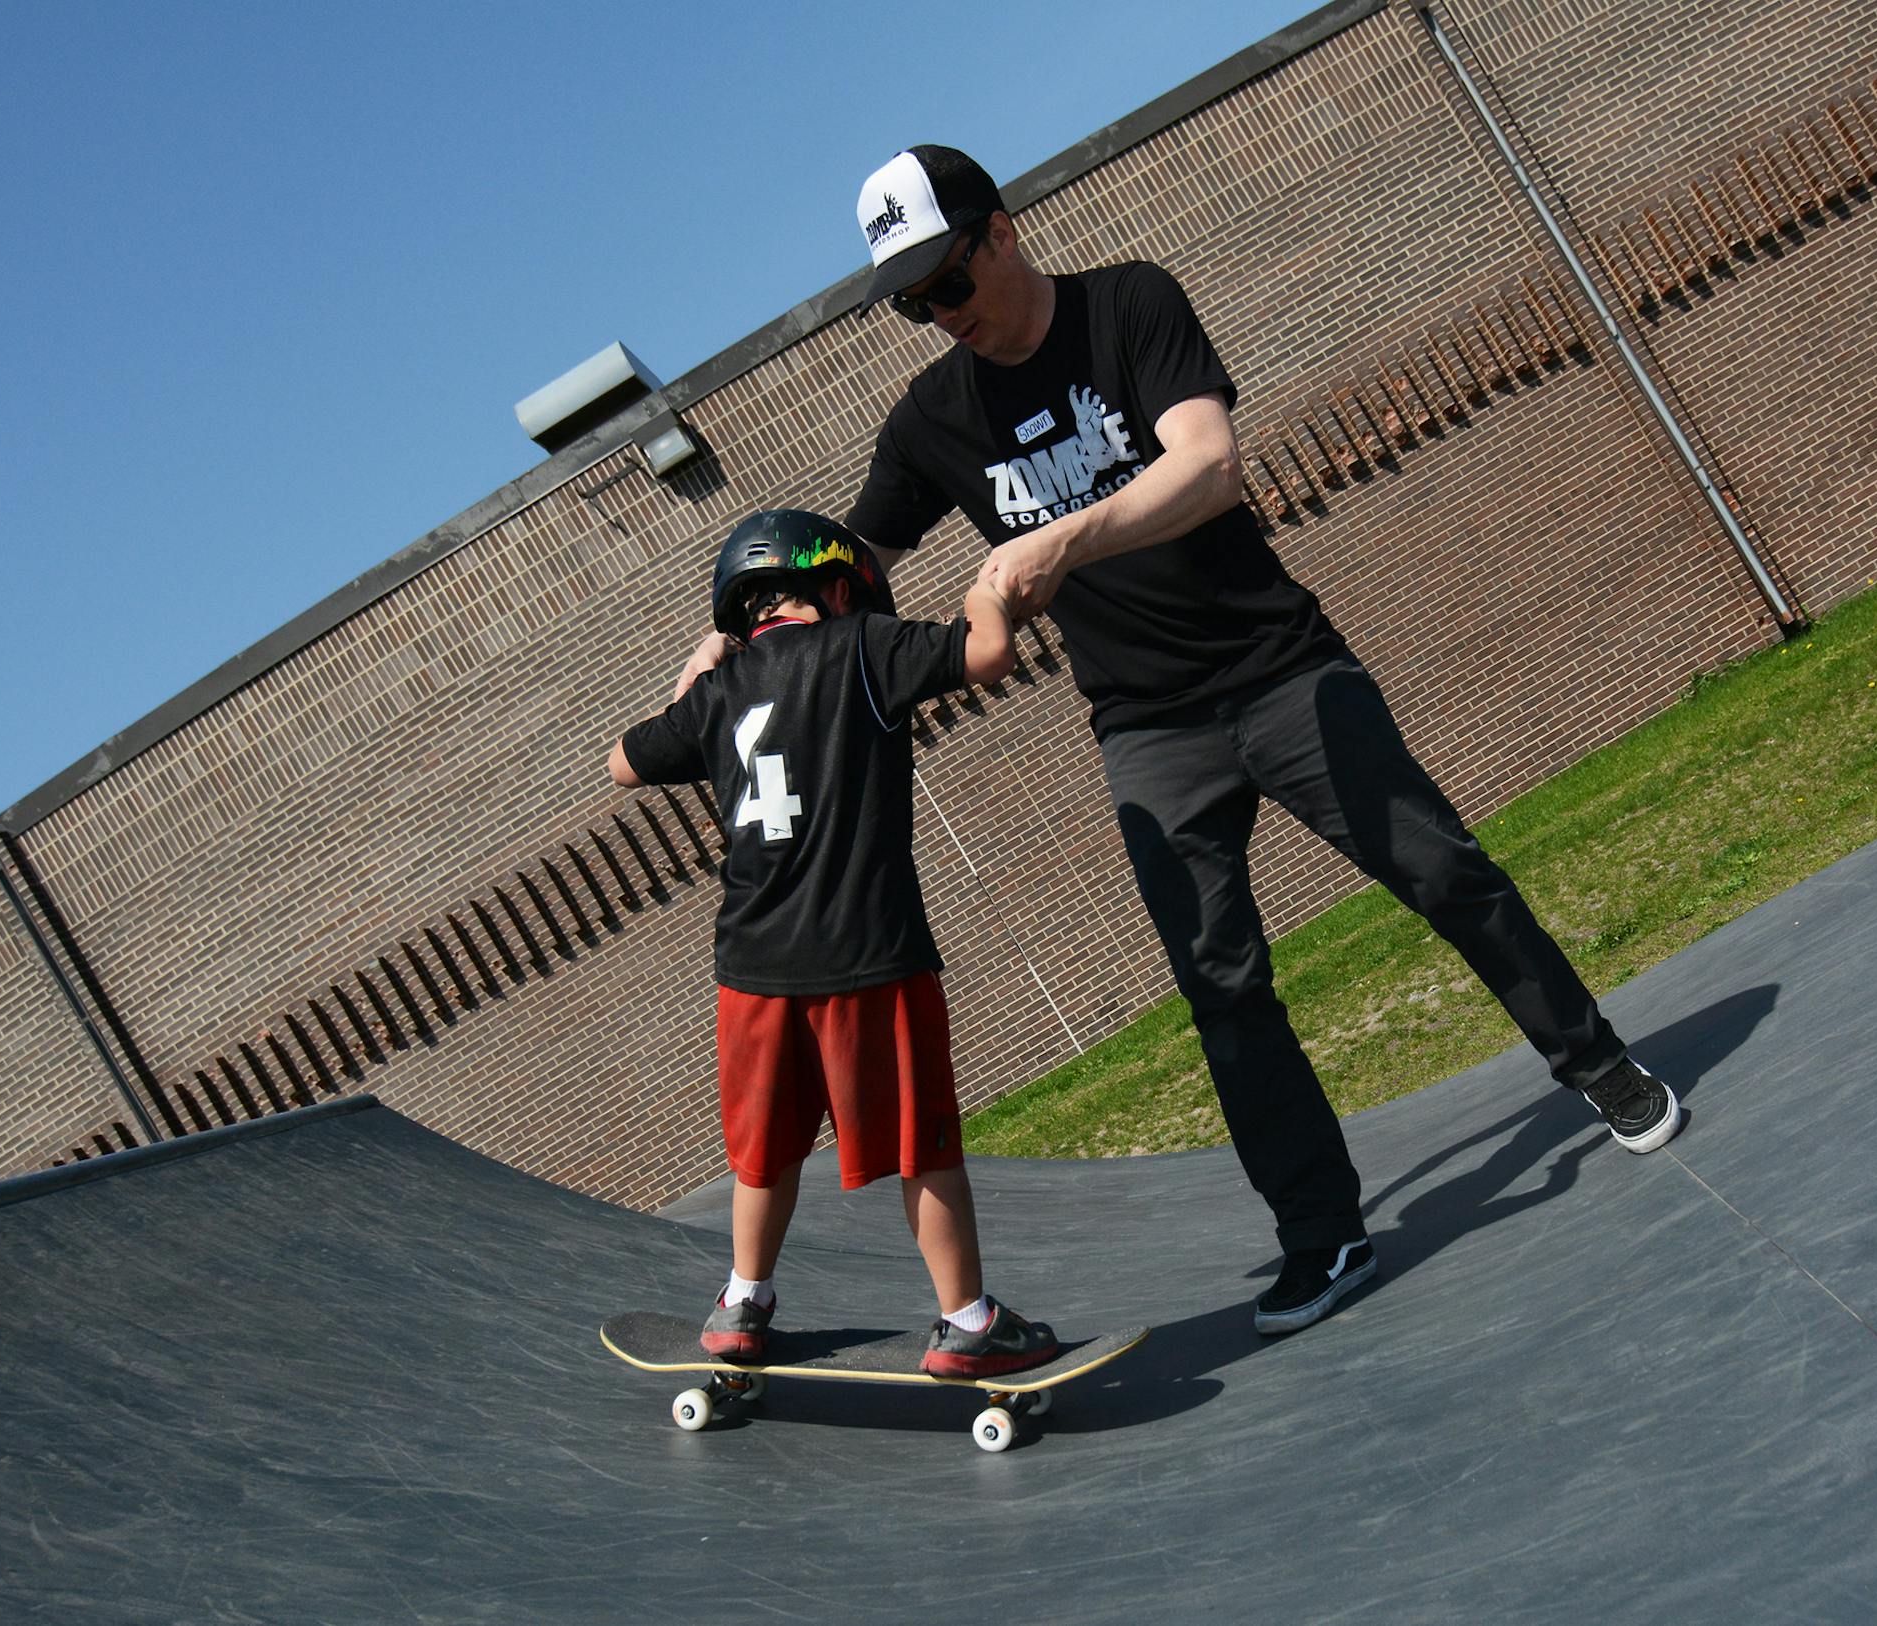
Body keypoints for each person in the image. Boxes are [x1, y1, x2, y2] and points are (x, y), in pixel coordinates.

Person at [684, 146, 1682, 1339]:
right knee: (1221, 983)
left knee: (1443, 873)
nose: (937, 317)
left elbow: (1210, 466)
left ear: (1000, 233)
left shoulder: (1130, 304)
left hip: (1282, 671)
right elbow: (840, 574)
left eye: (945, 282)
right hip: (1147, 729)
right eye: (911, 303)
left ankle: (1596, 1063)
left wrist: (1065, 541)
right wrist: (729, 644)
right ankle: (1321, 1235)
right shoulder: (930, 419)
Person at [612, 508, 1059, 1378]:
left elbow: (624, 762)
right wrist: (990, 588)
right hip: (870, 956)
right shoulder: (864, 645)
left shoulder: (719, 693)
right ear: (842, 587)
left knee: (764, 1153)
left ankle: (744, 1302)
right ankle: (967, 1319)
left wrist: (698, 670)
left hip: (752, 973)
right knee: (920, 1147)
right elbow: (986, 652)